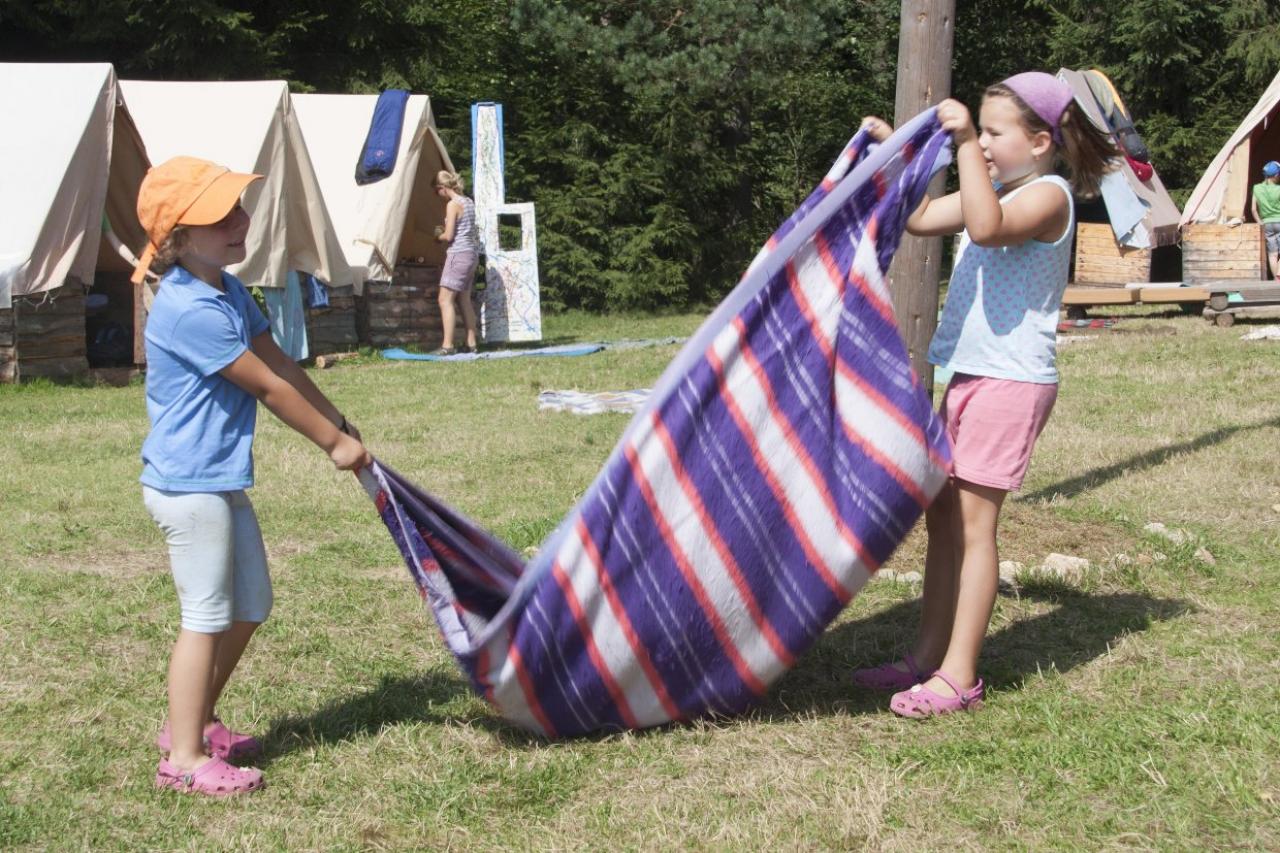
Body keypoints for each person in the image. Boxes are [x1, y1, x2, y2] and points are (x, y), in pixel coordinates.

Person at [854, 73, 1118, 718]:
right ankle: (927, 655)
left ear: (1040, 142)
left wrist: (966, 143)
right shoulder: (993, 188)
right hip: (969, 375)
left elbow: (988, 226)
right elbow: (920, 220)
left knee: (975, 528)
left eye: (997, 133)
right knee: (941, 520)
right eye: (984, 132)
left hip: (1012, 383)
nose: (988, 145)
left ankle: (959, 675)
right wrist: (897, 156)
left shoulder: (1049, 197)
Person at [132, 156, 373, 795]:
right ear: (179, 238)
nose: (240, 222)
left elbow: (283, 364)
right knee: (206, 615)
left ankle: (193, 722)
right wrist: (332, 445)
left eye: (238, 209)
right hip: (188, 487)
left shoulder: (229, 290)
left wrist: (338, 421)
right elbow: (265, 386)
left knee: (251, 604)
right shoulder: (189, 308)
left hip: (217, 480)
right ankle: (183, 759)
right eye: (221, 218)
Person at [432, 170, 480, 355]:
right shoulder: (468, 201)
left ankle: (447, 346)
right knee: (464, 299)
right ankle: (471, 344)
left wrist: (438, 236)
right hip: (471, 255)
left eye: (437, 191)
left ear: (442, 188)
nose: (438, 195)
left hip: (458, 255)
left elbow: (449, 235)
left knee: (444, 300)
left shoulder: (452, 204)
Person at [1250, 160, 1280, 281]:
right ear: (1276, 175)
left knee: (1272, 254)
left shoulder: (1256, 188)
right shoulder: (1279, 189)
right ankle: (1279, 275)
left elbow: (1253, 209)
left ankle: (1277, 280)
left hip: (1266, 223)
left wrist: (1260, 222)